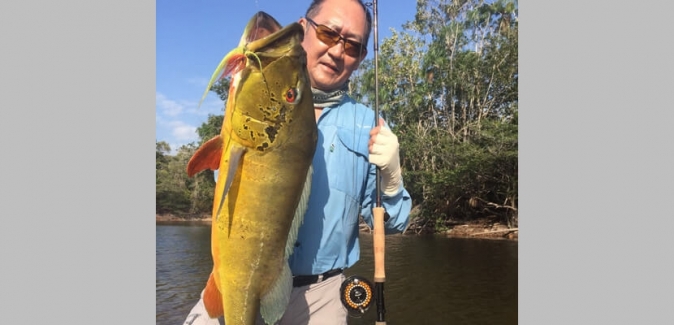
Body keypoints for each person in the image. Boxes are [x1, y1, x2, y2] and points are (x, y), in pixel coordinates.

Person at [184, 0, 411, 324]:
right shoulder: (255, 90)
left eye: (352, 44)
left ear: (361, 57)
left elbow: (390, 225)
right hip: (236, 276)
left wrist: (392, 178)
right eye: (329, 33)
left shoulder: (370, 126)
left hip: (322, 297)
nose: (337, 50)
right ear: (303, 29)